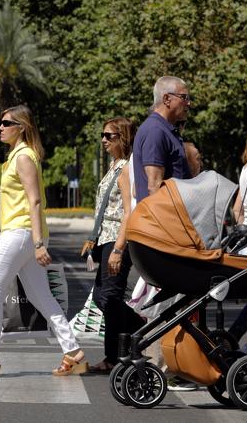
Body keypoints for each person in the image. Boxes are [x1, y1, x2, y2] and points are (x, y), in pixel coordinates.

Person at [0, 106, 85, 378]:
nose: (1, 127)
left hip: (22, 232)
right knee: (39, 295)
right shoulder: (16, 156)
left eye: (7, 123)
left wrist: (39, 243)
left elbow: (35, 200)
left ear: (22, 127)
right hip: (18, 231)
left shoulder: (23, 157)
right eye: (0, 122)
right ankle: (74, 351)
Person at [81, 117, 140, 373]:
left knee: (110, 298)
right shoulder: (114, 166)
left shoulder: (127, 167)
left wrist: (118, 249)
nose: (104, 140)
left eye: (110, 136)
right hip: (105, 239)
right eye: (103, 136)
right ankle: (139, 329)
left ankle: (114, 357)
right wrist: (93, 239)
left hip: (117, 239)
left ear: (123, 138)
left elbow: (128, 210)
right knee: (102, 297)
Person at [131, 76, 191, 199]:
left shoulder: (164, 129)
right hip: (162, 217)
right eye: (184, 97)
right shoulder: (155, 130)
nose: (188, 103)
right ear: (167, 99)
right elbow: (154, 187)